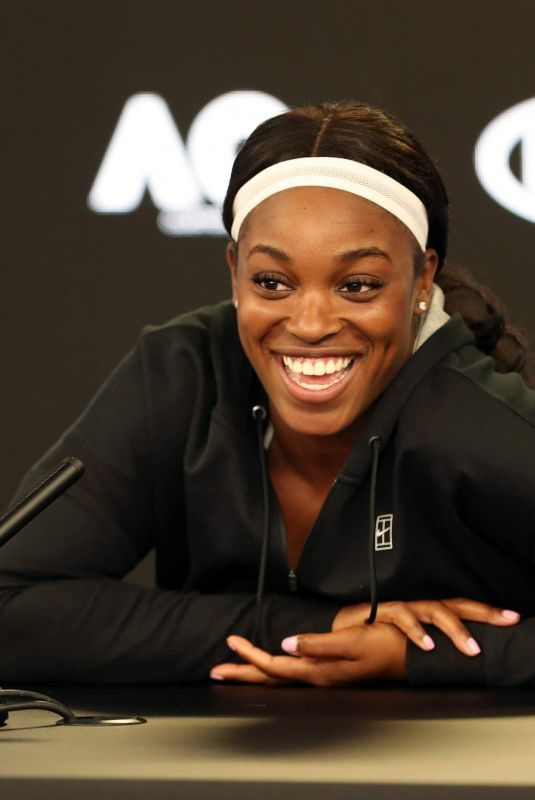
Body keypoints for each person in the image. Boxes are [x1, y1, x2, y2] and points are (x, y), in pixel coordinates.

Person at [0, 101, 534, 687]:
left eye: (357, 285)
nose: (309, 323)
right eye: (272, 282)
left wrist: (414, 653)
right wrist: (313, 628)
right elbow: (13, 606)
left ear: (421, 280)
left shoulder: (481, 423)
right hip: (207, 774)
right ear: (234, 272)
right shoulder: (184, 372)